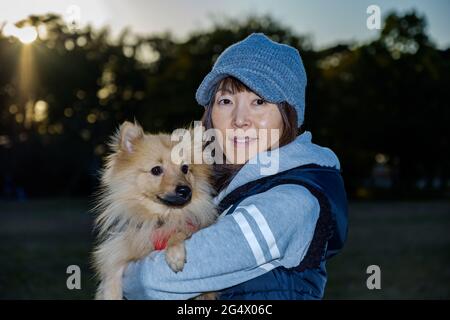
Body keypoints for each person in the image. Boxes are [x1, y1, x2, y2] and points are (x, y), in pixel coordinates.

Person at [122, 33, 348, 300]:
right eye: (225, 101)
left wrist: (120, 272)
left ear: (290, 115)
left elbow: (154, 280)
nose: (240, 119)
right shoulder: (225, 189)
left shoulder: (291, 201)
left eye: (259, 101)